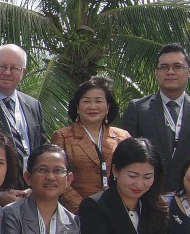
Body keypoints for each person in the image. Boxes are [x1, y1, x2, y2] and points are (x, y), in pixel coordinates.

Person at [117, 44, 190, 191]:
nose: (170, 72)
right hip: (146, 193)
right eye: (164, 67)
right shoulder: (137, 108)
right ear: (156, 72)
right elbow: (125, 154)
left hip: (189, 194)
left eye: (177, 66)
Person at [51, 76, 130, 209]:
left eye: (99, 101)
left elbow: (130, 173)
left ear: (108, 107)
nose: (93, 106)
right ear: (77, 107)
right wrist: (85, 208)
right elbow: (58, 176)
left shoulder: (122, 137)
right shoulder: (62, 136)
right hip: (77, 212)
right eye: (86, 101)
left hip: (117, 209)